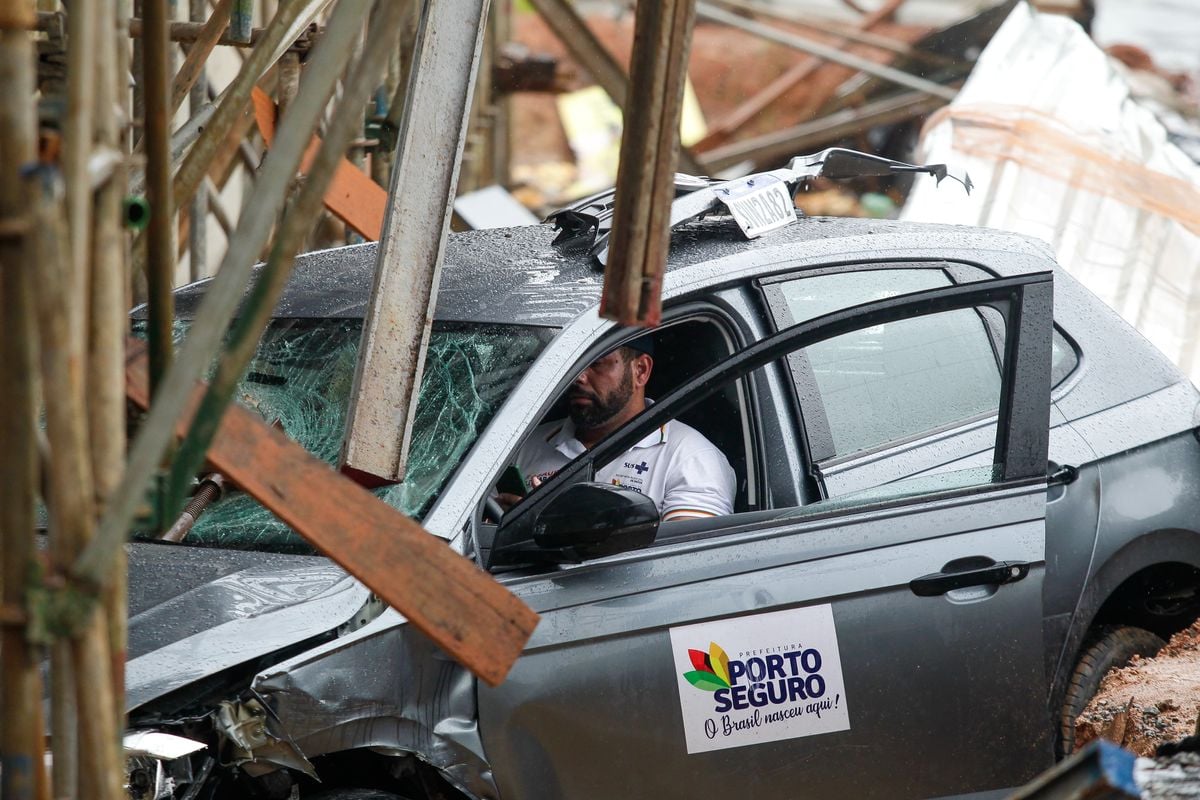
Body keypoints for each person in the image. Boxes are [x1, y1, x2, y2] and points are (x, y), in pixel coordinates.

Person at [502, 338, 735, 521]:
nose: (578, 376)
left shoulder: (691, 458)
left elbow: (683, 563)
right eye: (573, 363)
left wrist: (551, 524)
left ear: (640, 370)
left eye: (597, 363)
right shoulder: (523, 445)